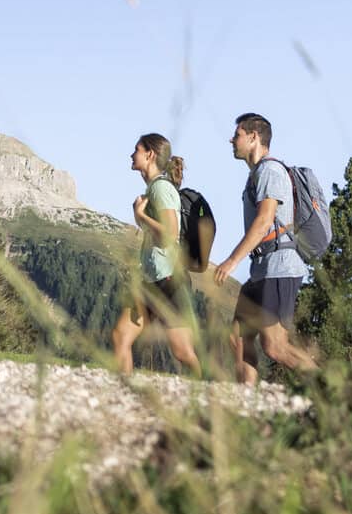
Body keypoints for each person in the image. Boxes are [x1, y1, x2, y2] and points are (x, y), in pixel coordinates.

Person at [212, 113, 319, 384]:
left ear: (253, 137)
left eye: (236, 135)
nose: (231, 140)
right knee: (237, 336)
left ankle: (330, 391)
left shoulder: (270, 171)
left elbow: (263, 222)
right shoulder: (257, 174)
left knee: (274, 346)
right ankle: (247, 401)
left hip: (280, 267)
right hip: (262, 269)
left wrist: (231, 261)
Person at [112, 133, 210, 376]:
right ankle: (124, 395)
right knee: (120, 336)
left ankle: (207, 394)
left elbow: (171, 234)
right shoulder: (154, 188)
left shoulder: (161, 188)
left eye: (136, 149)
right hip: (151, 279)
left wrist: (140, 217)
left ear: (150, 154)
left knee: (182, 352)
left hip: (169, 281)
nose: (131, 154)